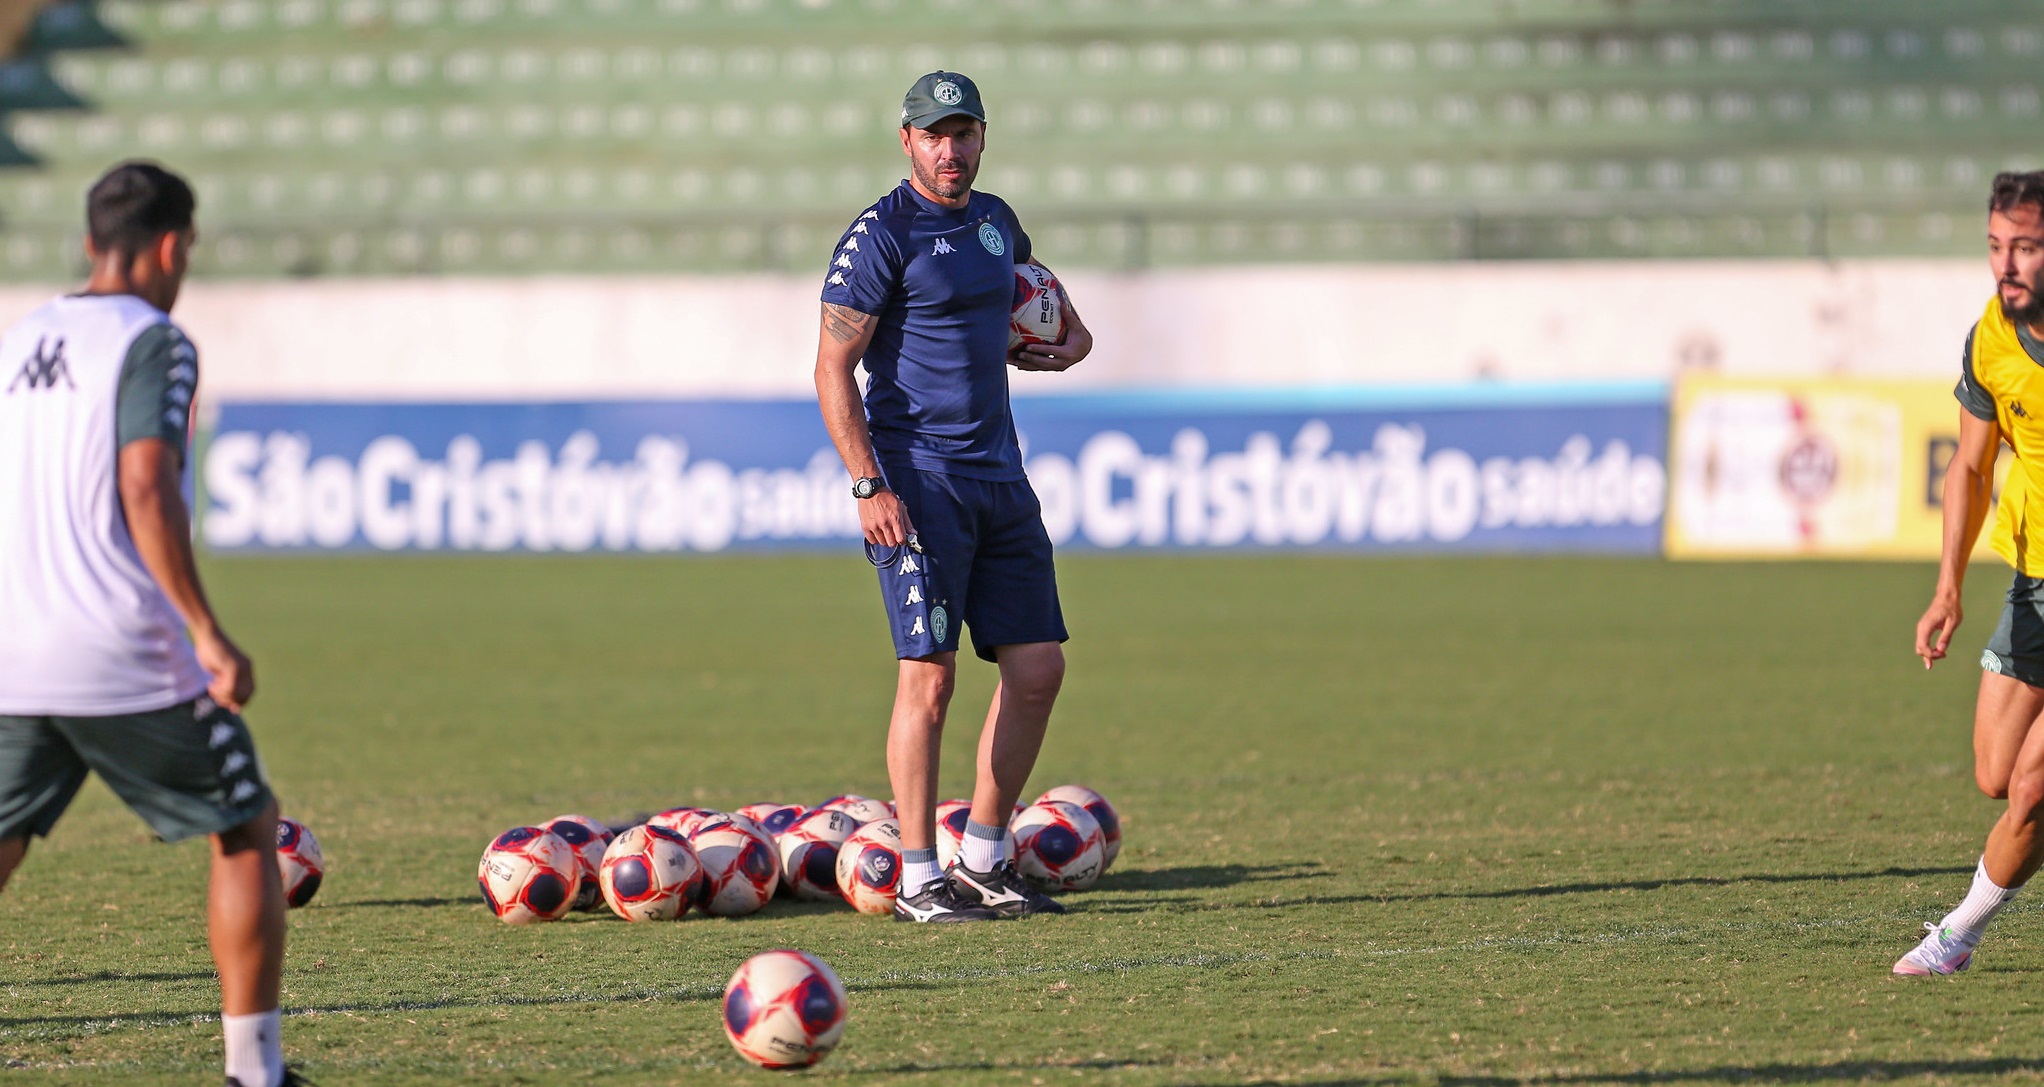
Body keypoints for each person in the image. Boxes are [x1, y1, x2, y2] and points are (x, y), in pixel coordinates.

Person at [0, 162, 299, 1084]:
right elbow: (143, 483)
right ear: (171, 245)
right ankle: (255, 1072)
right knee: (246, 828)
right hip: (117, 652)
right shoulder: (155, 341)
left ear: (93, 241)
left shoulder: (19, 340)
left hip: (13, 650)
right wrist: (206, 632)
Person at [814, 71, 1094, 923]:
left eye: (964, 131)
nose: (951, 148)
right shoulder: (880, 235)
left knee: (1039, 667)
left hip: (1001, 478)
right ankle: (916, 874)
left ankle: (984, 852)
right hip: (919, 482)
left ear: (982, 137)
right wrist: (869, 484)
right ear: (906, 140)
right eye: (935, 134)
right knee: (928, 681)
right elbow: (832, 367)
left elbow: (1035, 291)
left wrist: (1072, 339)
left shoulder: (994, 220)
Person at [1905, 170, 2044, 976]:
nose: (2007, 264)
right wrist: (1948, 586)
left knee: (2031, 790)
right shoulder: (1991, 335)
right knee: (1997, 773)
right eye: (1997, 246)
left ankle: (1956, 936)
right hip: (2032, 584)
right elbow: (1969, 464)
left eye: (2025, 246)